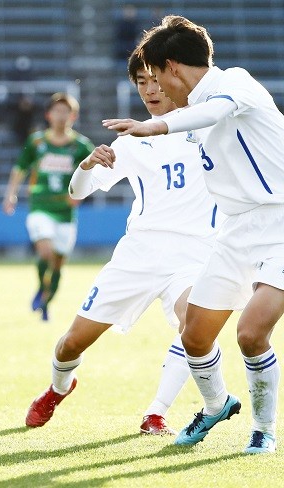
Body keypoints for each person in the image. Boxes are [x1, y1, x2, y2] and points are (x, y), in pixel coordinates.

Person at [103, 15, 284, 454]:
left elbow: (216, 110)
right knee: (195, 336)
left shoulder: (234, 83)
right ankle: (215, 404)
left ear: (173, 67)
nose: (157, 89)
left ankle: (263, 429)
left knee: (250, 332)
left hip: (280, 222)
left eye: (157, 76)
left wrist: (156, 125)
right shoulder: (188, 113)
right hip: (235, 230)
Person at [25, 50, 222, 436]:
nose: (149, 90)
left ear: (176, 75)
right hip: (139, 254)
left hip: (196, 254)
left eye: (155, 79)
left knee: (193, 327)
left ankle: (156, 413)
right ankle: (57, 388)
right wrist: (85, 166)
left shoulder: (208, 127)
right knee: (70, 344)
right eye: (141, 82)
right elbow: (77, 191)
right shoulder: (132, 140)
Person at [3, 93, 94, 321]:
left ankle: (45, 301)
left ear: (73, 116)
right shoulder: (36, 142)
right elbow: (20, 168)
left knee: (59, 265)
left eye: (66, 111)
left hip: (65, 212)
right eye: (57, 111)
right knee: (45, 252)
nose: (61, 116)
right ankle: (41, 291)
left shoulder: (81, 146)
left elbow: (93, 174)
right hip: (40, 206)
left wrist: (81, 195)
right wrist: (10, 194)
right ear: (48, 115)